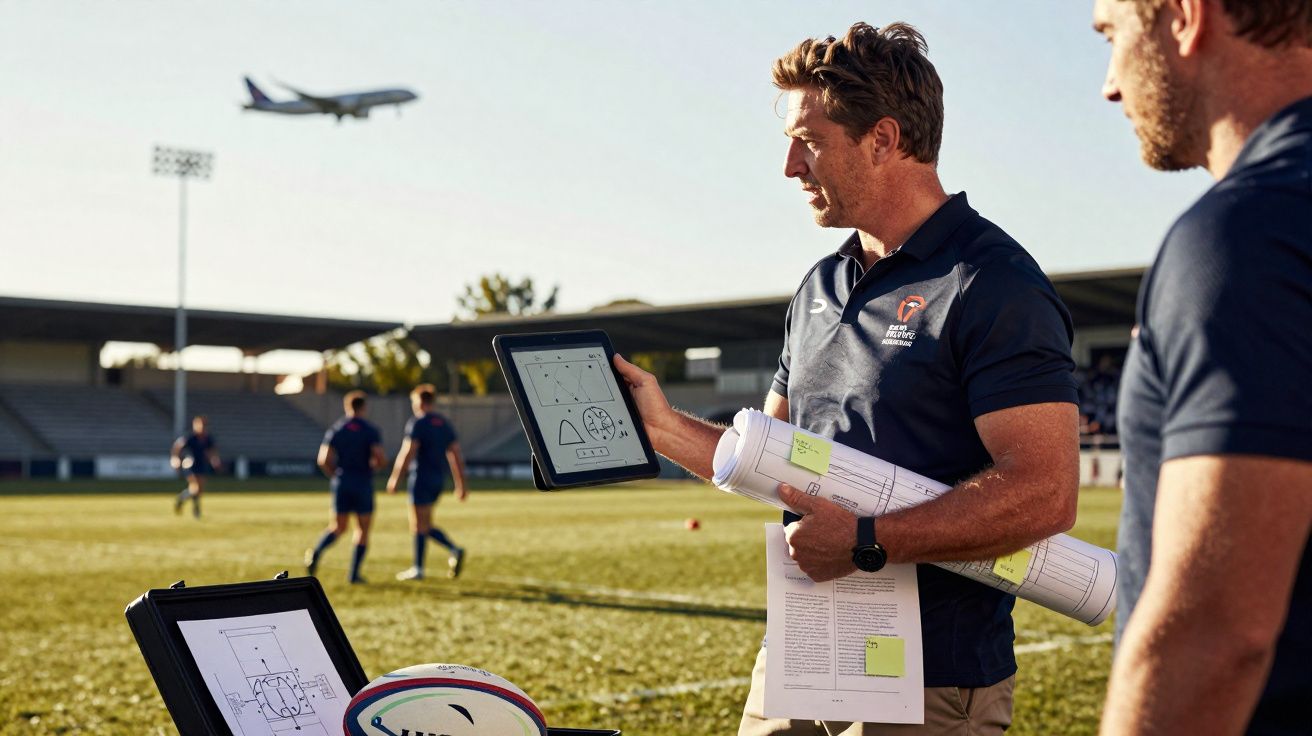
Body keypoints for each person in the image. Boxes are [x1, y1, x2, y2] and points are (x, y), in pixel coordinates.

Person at [614, 22, 1080, 735]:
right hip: (801, 654)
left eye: (810, 142)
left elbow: (1045, 491)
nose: (791, 169)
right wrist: (663, 426)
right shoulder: (822, 284)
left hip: (929, 679)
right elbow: (773, 454)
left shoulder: (991, 282)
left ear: (884, 139)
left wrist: (870, 541)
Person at [1091, 1, 1312, 733]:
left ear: (1185, 18)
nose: (1110, 85)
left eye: (1113, 36)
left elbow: (1215, 632)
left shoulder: (1243, 236)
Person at [386, 383, 469, 581]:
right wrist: (461, 484)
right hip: (438, 479)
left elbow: (408, 452)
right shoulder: (444, 423)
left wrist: (395, 478)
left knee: (418, 525)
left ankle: (428, 563)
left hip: (421, 478)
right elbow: (455, 455)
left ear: (420, 402)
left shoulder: (418, 423)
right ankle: (436, 558)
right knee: (425, 523)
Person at [305, 390, 386, 584]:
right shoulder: (370, 430)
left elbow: (323, 459)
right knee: (363, 530)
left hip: (342, 482)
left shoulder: (337, 429)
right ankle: (354, 574)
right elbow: (380, 458)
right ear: (364, 407)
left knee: (338, 527)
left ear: (347, 407)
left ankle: (316, 552)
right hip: (362, 482)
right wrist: (372, 469)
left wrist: (336, 475)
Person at [170, 415, 220, 519]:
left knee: (198, 489)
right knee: (196, 487)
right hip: (190, 464)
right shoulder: (190, 438)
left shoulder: (208, 439)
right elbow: (177, 447)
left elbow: (211, 451)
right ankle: (196, 510)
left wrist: (214, 460)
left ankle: (181, 499)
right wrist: (175, 459)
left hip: (202, 464)